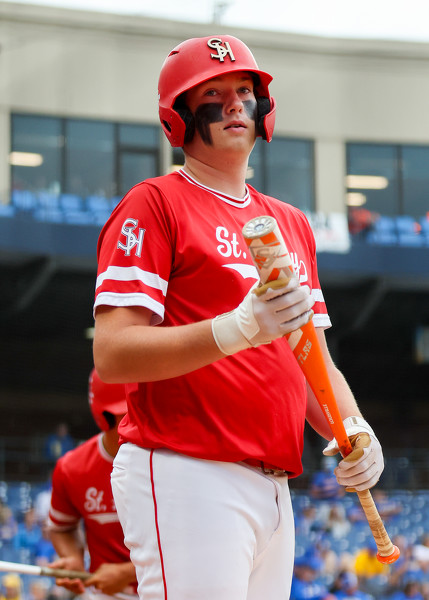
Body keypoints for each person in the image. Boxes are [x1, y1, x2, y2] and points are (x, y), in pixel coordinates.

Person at [92, 34, 385, 600]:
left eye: (244, 91)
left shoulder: (291, 222)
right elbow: (113, 353)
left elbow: (312, 364)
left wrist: (353, 428)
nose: (234, 103)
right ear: (179, 115)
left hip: (275, 483)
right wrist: (236, 329)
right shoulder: (154, 202)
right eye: (212, 92)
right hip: (186, 468)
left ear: (263, 107)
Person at [47, 369, 137, 600]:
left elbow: (198, 543)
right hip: (106, 595)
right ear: (104, 416)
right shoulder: (72, 468)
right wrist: (73, 558)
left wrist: (128, 572)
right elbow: (62, 527)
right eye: (131, 410)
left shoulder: (176, 463)